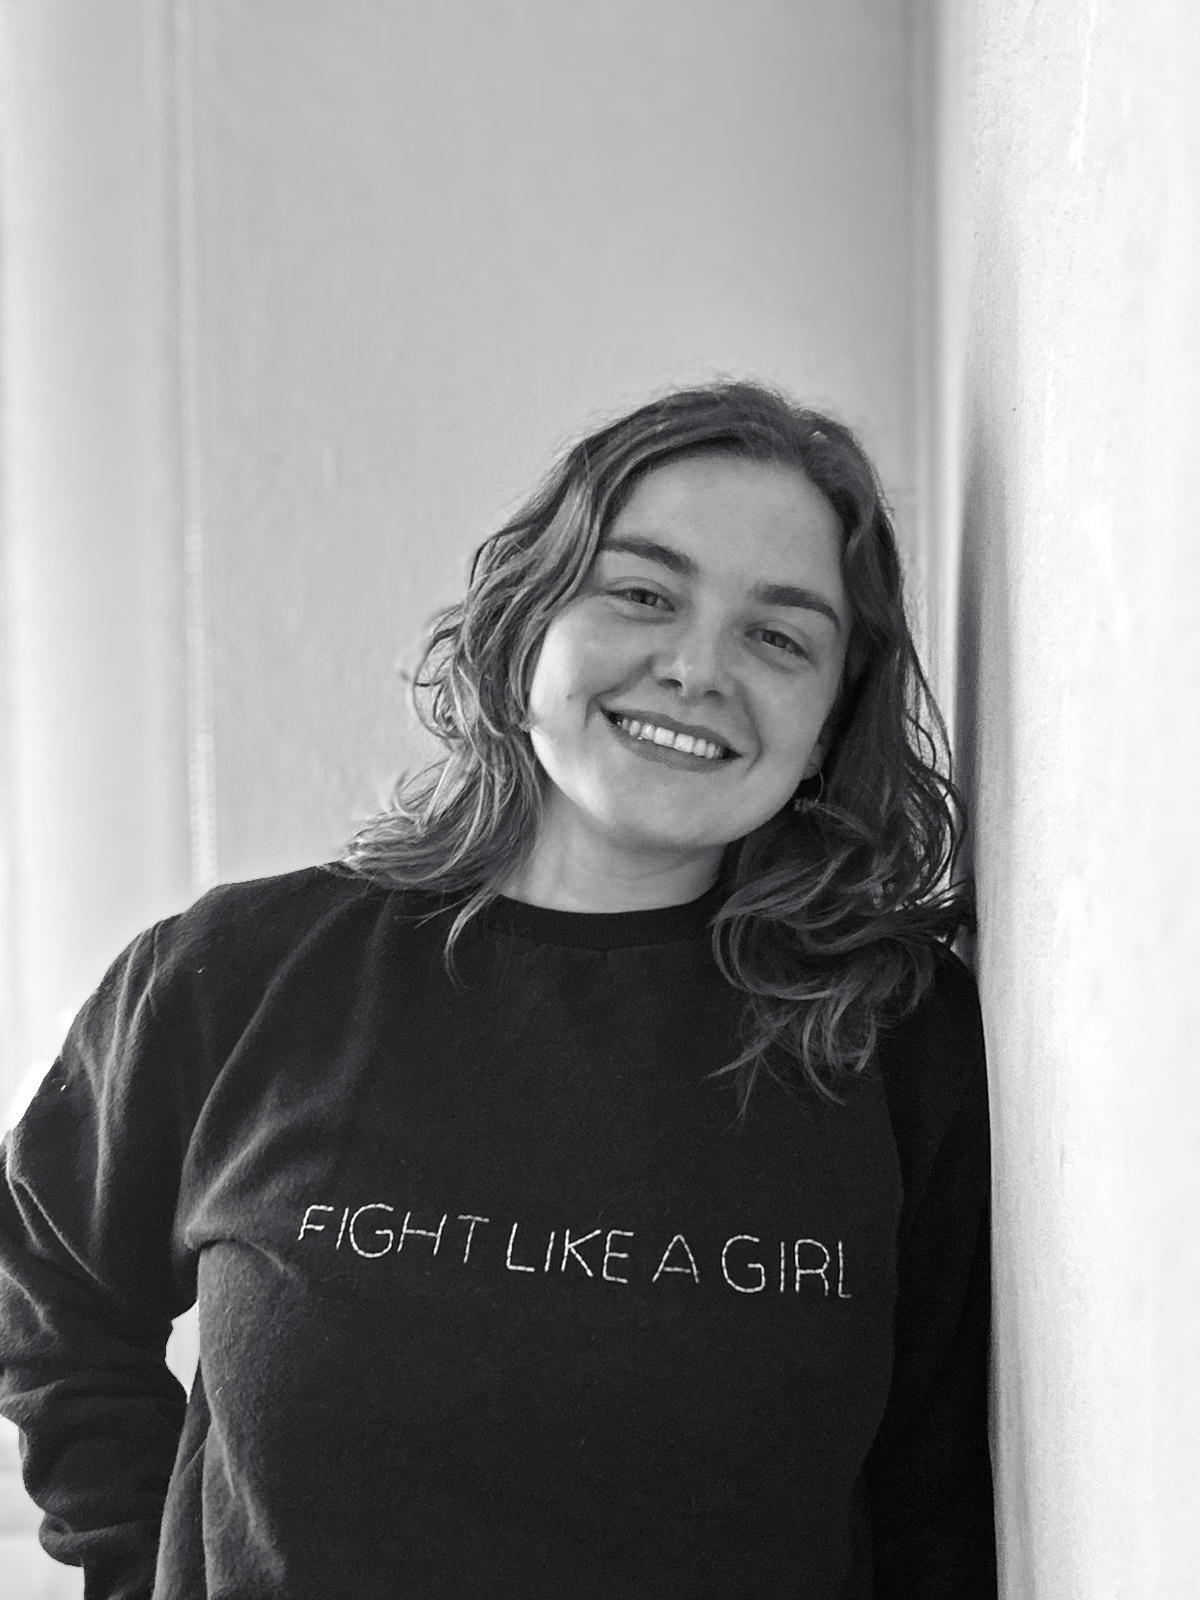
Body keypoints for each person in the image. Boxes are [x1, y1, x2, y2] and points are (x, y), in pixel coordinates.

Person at [0, 380, 997, 1598]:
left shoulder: (895, 1041)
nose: (696, 668)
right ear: (529, 624)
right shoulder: (244, 975)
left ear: (830, 724)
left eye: (780, 637)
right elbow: (43, 1278)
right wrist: (138, 1563)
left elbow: (933, 1512)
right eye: (642, 593)